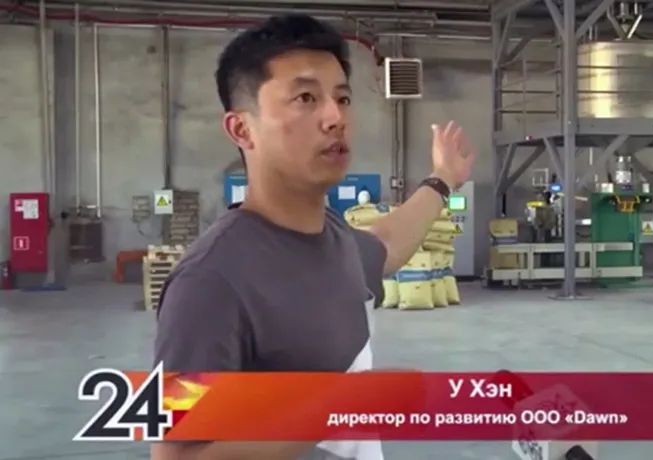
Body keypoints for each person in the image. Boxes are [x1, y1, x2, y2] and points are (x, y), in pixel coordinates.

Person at [151, 13, 476, 460]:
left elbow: (386, 244)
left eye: (342, 98)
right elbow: (177, 455)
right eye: (305, 98)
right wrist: (351, 403)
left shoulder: (334, 237)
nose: (334, 117)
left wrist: (443, 179)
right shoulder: (210, 281)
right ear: (242, 129)